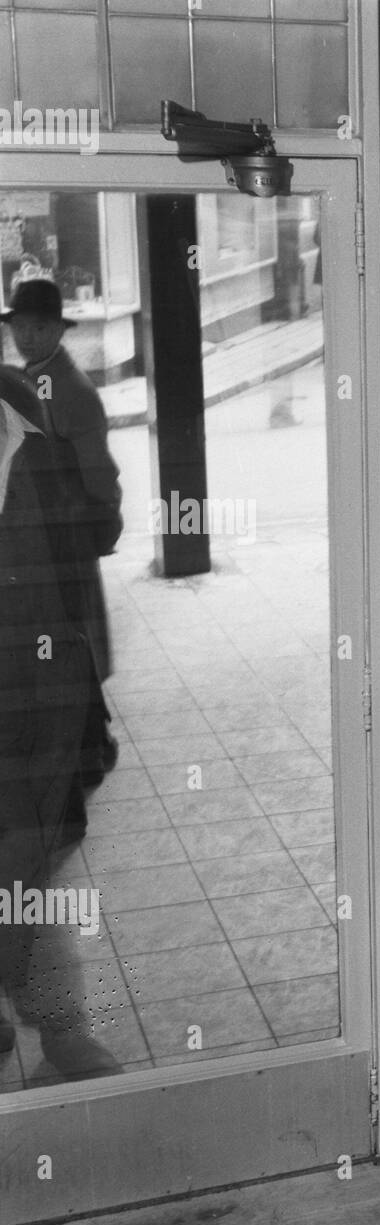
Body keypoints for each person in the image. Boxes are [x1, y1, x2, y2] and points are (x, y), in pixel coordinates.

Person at [0, 365, 121, 1081]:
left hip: (40, 704)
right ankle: (60, 1028)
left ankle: (63, 1031)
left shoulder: (32, 432)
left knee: (28, 864)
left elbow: (97, 535)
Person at [2, 278, 124, 833]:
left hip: (69, 532)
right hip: (51, 536)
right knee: (74, 638)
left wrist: (103, 517)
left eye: (38, 327)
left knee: (73, 639)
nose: (27, 335)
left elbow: (99, 466)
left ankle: (93, 747)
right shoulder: (29, 382)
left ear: (56, 330)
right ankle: (95, 740)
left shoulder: (68, 389)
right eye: (19, 327)